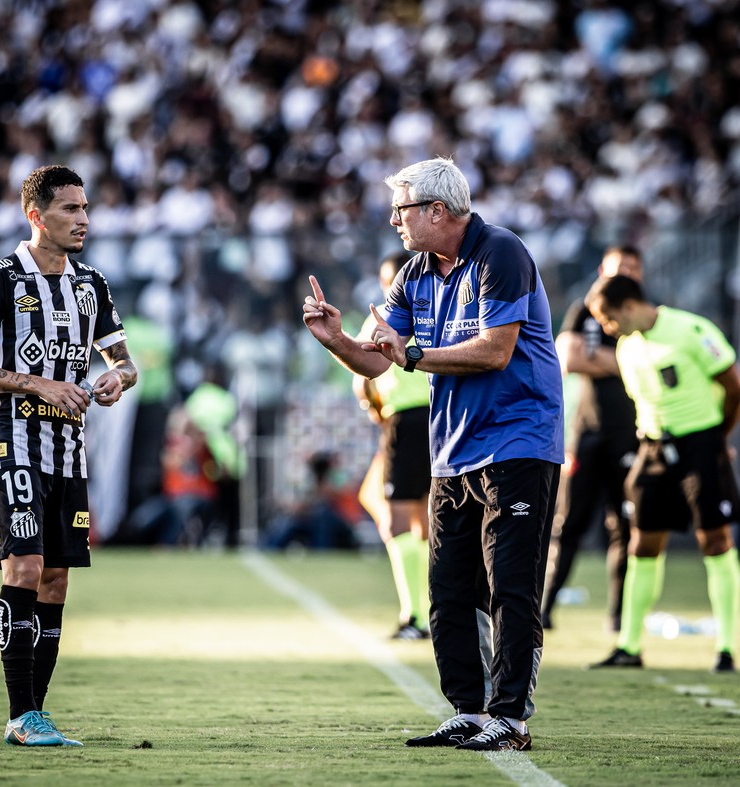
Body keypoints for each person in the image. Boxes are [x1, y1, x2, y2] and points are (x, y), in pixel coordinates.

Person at [302, 156, 563, 752]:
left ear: (438, 211)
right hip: (451, 449)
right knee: (447, 590)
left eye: (403, 209)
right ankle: (469, 712)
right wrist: (337, 339)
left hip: (519, 439)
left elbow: (496, 351)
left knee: (511, 585)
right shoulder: (415, 271)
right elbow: (377, 357)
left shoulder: (501, 252)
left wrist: (413, 354)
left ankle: (510, 718)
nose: (395, 220)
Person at [0, 164, 138, 747]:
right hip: (10, 438)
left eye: (85, 209)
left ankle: (36, 714)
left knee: (55, 579)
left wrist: (118, 381)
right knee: (24, 568)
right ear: (36, 216)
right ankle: (19, 714)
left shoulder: (91, 283)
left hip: (67, 446)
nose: (83, 220)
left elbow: (125, 362)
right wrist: (39, 384)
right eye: (70, 210)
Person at [584, 275, 740, 673]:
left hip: (701, 446)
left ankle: (726, 648)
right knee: (642, 544)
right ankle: (629, 646)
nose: (606, 328)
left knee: (715, 540)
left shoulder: (691, 330)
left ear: (630, 306)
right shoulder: (625, 347)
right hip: (653, 450)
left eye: (608, 319)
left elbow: (732, 385)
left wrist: (718, 437)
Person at [541, 246, 643, 632]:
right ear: (603, 269)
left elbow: (595, 358)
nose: (626, 275)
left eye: (633, 269)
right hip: (584, 433)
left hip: (631, 433)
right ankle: (544, 609)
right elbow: (568, 359)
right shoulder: (585, 309)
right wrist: (624, 361)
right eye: (620, 268)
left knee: (625, 526)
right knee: (567, 525)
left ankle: (618, 618)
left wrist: (598, 357)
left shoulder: (646, 312)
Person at [353, 251, 431, 640]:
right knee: (430, 520)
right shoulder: (440, 308)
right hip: (443, 419)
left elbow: (361, 380)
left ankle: (414, 615)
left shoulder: (382, 318)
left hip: (405, 422)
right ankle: (436, 613)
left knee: (398, 519)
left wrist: (375, 411)